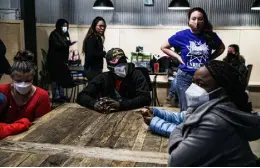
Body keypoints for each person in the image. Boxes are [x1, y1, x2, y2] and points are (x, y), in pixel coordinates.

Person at [166, 60, 260, 166]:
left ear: (221, 91)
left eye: (201, 84)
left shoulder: (215, 121)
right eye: (193, 82)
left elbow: (175, 162)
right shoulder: (225, 108)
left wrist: (177, 129)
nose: (193, 88)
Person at [161, 7, 225, 111]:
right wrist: (178, 57)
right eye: (193, 18)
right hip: (185, 77)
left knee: (203, 109)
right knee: (186, 110)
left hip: (203, 78)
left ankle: (200, 127)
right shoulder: (182, 35)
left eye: (200, 19)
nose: (197, 22)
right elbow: (163, 47)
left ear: (204, 21)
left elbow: (221, 48)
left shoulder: (210, 35)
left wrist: (210, 58)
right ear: (189, 20)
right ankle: (186, 127)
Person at [77, 48, 151, 113]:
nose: (122, 66)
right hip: (108, 116)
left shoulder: (136, 75)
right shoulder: (103, 78)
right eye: (118, 64)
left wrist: (120, 105)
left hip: (132, 113)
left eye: (123, 62)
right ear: (110, 67)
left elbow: (145, 98)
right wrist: (94, 104)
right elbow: (81, 96)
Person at [0, 50, 51, 139]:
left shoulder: (42, 96)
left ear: (33, 78)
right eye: (18, 81)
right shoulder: (2, 92)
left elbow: (42, 129)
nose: (23, 84)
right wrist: (23, 124)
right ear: (12, 78)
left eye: (28, 81)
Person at [47, 18, 76, 102]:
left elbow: (67, 42)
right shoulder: (54, 34)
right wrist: (66, 44)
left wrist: (69, 43)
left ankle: (62, 95)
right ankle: (56, 96)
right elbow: (57, 45)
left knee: (61, 78)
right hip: (54, 60)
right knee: (55, 78)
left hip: (62, 60)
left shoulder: (66, 34)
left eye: (67, 26)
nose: (65, 28)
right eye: (64, 26)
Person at [82, 16, 107, 81]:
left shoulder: (97, 37)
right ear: (94, 26)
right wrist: (103, 53)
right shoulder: (92, 38)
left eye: (104, 26)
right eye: (100, 26)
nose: (103, 28)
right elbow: (91, 54)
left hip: (95, 69)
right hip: (92, 70)